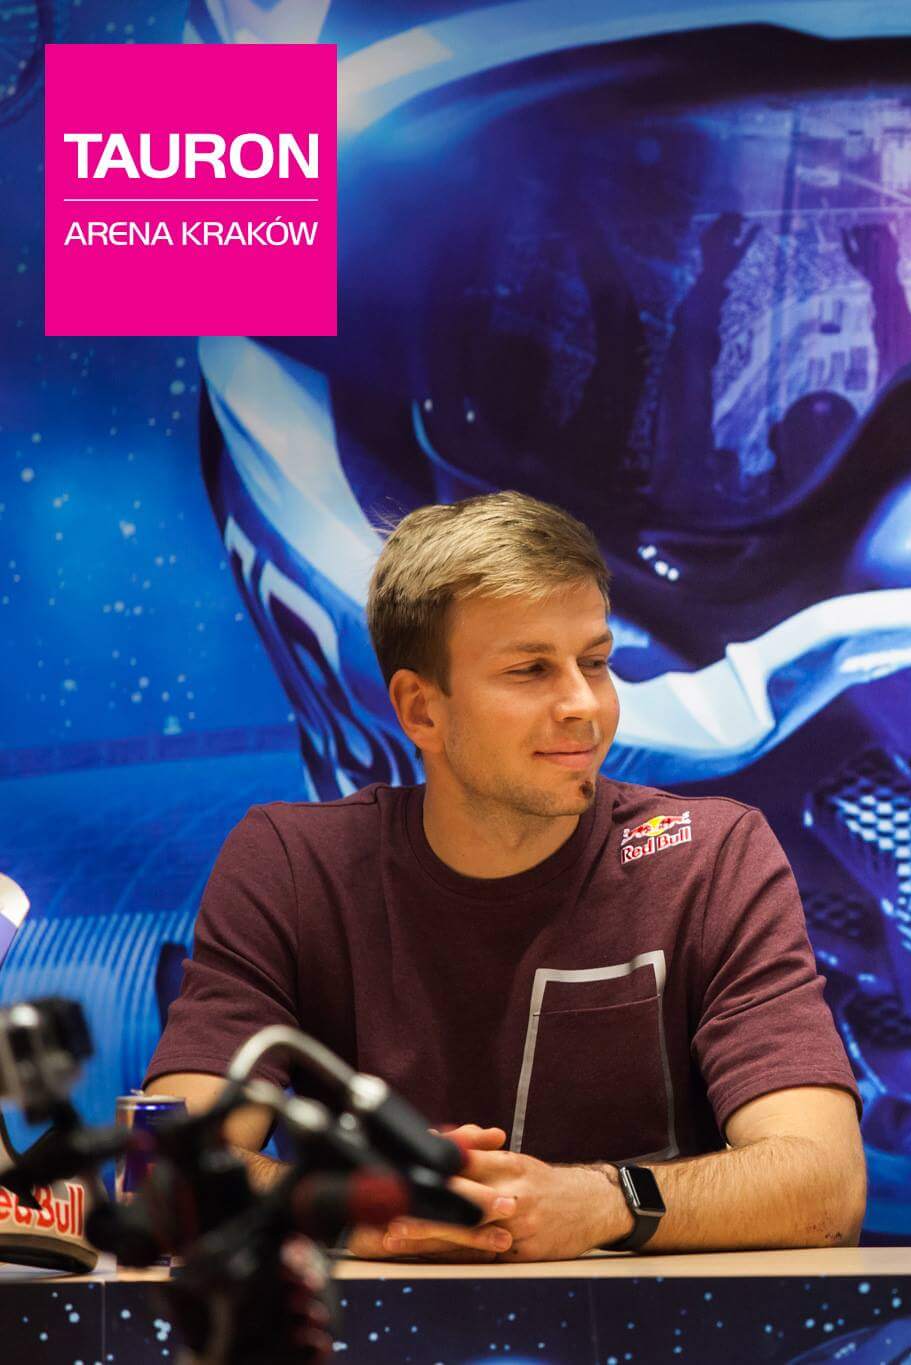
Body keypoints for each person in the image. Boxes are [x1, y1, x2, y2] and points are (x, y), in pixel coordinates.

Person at [147, 491, 864, 1261]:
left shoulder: (711, 857)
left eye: (596, 662)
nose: (584, 704)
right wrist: (342, 1206)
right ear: (420, 710)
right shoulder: (290, 866)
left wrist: (604, 1201)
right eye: (531, 670)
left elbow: (827, 1186)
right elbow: (159, 1173)